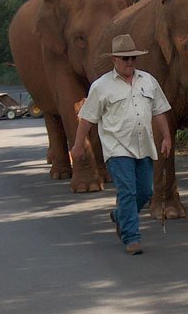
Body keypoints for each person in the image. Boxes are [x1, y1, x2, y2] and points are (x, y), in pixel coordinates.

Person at [70, 34, 172, 255]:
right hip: (117, 148)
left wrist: (166, 137)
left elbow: (159, 110)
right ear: (114, 59)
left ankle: (120, 216)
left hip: (144, 145)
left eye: (133, 58)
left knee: (145, 191)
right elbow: (87, 118)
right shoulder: (101, 86)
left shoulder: (148, 81)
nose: (129, 63)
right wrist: (78, 146)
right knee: (127, 191)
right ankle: (131, 238)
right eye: (125, 58)